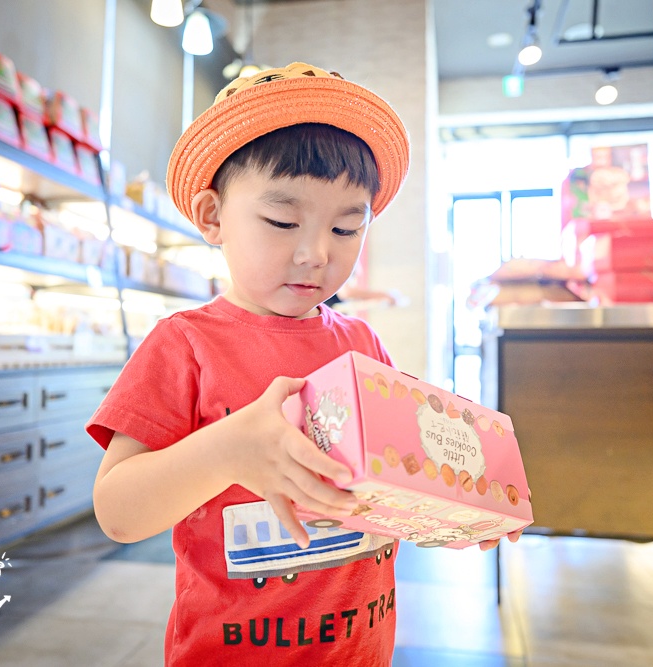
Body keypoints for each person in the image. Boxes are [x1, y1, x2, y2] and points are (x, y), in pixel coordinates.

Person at [86, 62, 515, 666]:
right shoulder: (185, 345)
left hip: (361, 650)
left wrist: (464, 506)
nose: (316, 253)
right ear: (214, 217)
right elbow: (118, 513)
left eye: (346, 227)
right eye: (283, 222)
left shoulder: (363, 343)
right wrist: (227, 449)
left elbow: (397, 479)